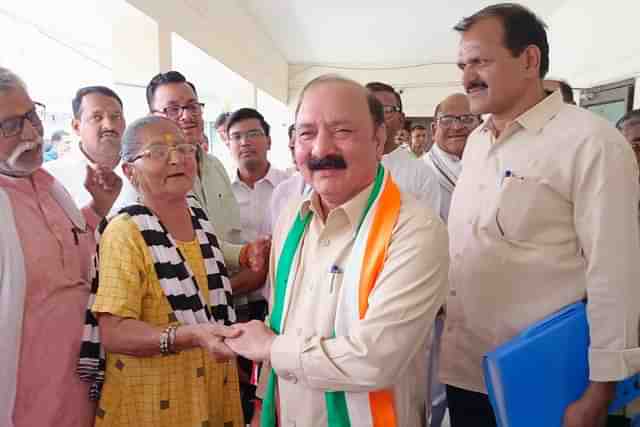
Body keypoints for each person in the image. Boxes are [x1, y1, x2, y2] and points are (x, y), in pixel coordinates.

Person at [442, 4, 640, 427]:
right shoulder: (477, 142)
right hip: (465, 370)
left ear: (529, 59)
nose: (466, 77)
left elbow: (614, 273)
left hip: (545, 380)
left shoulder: (590, 142)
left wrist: (599, 391)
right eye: (462, 65)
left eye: (480, 61)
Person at [225, 74, 449, 427]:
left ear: (379, 140)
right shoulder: (291, 219)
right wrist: (260, 403)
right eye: (306, 133)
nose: (320, 149)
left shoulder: (414, 230)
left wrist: (269, 349)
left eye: (342, 131)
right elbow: (278, 322)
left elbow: (375, 359)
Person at [84, 115, 245, 427]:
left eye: (185, 149)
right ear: (130, 171)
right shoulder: (125, 232)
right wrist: (190, 335)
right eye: (157, 152)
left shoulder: (198, 217)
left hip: (211, 388)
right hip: (153, 401)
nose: (177, 159)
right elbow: (114, 331)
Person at [0, 67, 120, 427]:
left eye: (31, 116)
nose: (31, 133)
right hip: (25, 398)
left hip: (80, 386)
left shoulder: (51, 187)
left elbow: (75, 251)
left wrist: (98, 208)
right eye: (10, 125)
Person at [366, 81, 442, 217]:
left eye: (386, 110)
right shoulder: (341, 170)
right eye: (368, 109)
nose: (376, 118)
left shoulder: (422, 174)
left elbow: (427, 230)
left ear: (401, 120)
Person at [45, 86, 126, 210]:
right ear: (77, 126)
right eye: (97, 117)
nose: (109, 125)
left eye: (116, 116)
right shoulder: (51, 177)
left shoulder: (143, 168)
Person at [426, 93, 481, 221]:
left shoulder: (493, 165)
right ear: (434, 130)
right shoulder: (418, 172)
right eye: (447, 120)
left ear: (480, 126)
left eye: (467, 119)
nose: (457, 127)